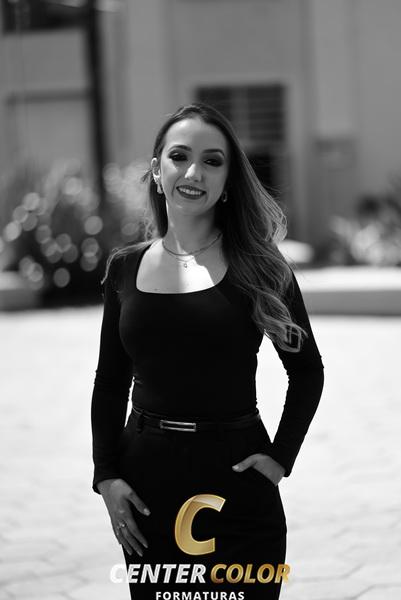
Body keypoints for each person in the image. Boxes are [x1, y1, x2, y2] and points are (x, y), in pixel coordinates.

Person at [91, 102, 325, 600]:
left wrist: (280, 457)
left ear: (228, 181)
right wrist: (107, 475)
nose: (194, 172)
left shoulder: (262, 269)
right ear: (157, 172)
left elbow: (307, 371)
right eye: (179, 156)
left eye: (212, 161)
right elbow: (110, 381)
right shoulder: (125, 268)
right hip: (147, 484)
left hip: (238, 480)